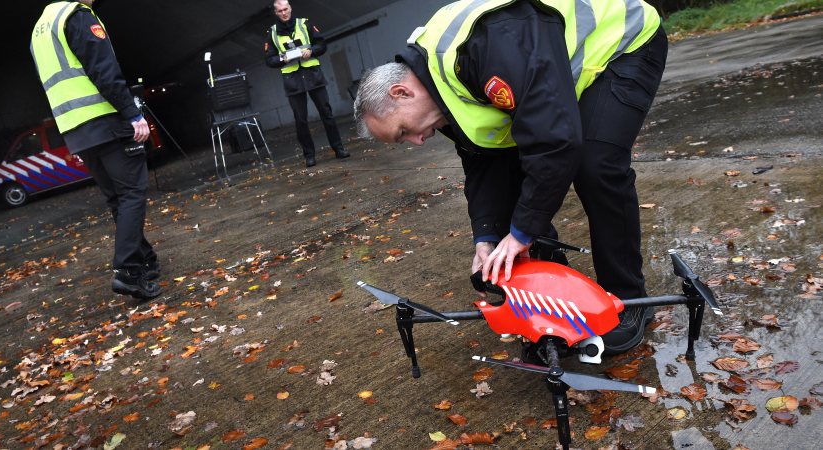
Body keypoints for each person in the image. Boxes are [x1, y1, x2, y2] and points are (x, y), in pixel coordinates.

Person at [354, 0, 668, 355]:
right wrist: (487, 237)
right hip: (555, 76)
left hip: (620, 43)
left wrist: (522, 231)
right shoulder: (439, 90)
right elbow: (484, 162)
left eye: (403, 132)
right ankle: (551, 303)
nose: (416, 141)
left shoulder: (487, 46)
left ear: (401, 93)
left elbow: (553, 140)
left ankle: (629, 300)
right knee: (518, 201)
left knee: (595, 166)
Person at [31, 0, 161, 300]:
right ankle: (128, 269)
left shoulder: (41, 27)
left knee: (117, 198)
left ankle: (145, 262)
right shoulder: (76, 15)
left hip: (76, 130)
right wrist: (132, 113)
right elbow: (103, 70)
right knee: (132, 193)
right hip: (104, 120)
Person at [264, 0, 350, 167]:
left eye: (286, 9)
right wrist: (283, 58)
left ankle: (339, 149)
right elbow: (269, 60)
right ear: (276, 13)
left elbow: (322, 44)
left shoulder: (305, 24)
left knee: (327, 114)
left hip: (313, 76)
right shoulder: (272, 33)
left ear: (290, 8)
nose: (284, 13)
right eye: (280, 10)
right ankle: (309, 155)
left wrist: (312, 51)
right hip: (293, 82)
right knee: (301, 121)